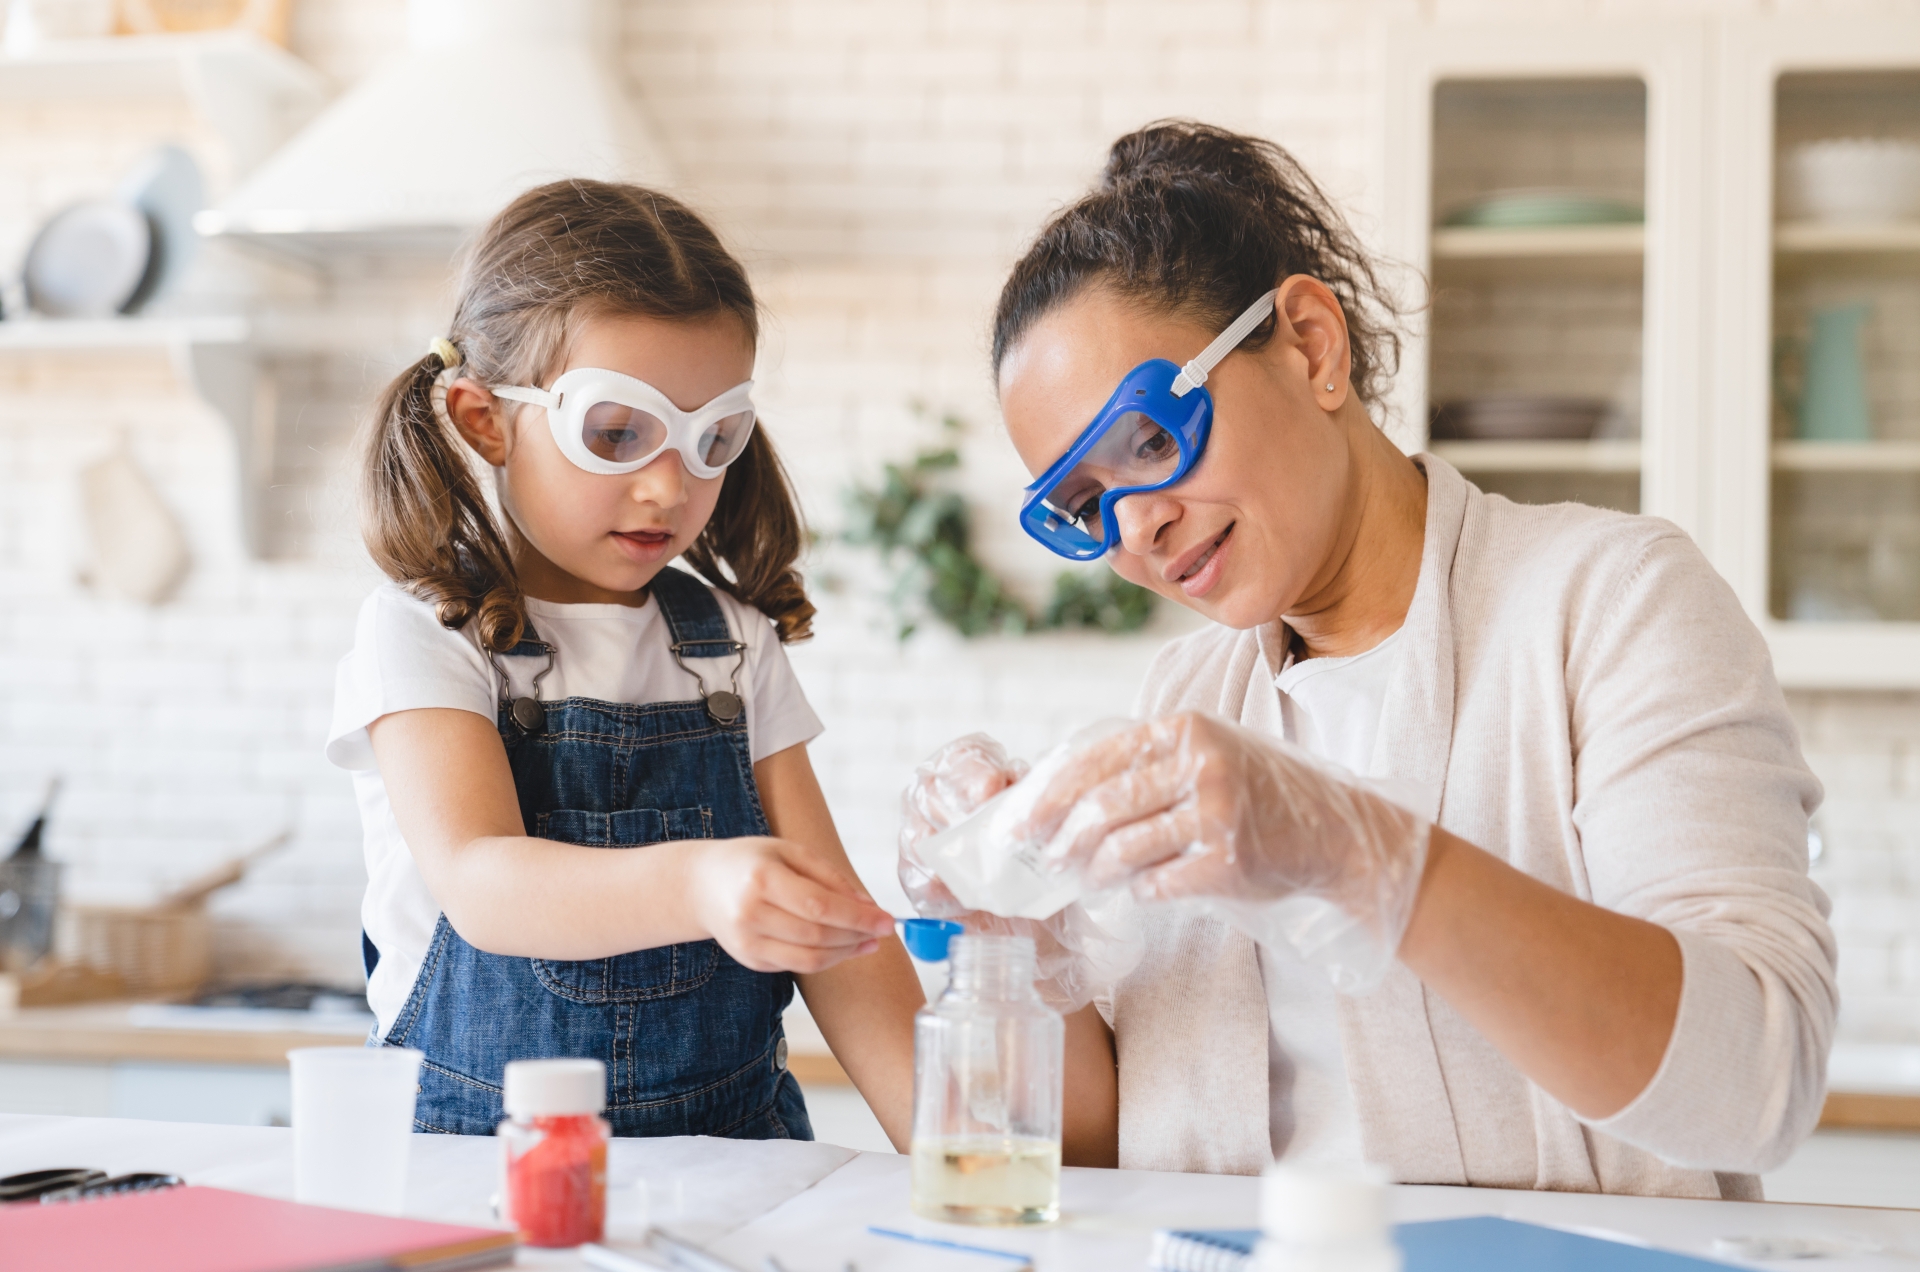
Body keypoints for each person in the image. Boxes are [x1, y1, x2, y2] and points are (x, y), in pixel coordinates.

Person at [902, 122, 1836, 1197]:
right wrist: (1020, 956)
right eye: (1081, 506)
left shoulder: (1612, 603)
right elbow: (1120, 1157)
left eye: (1152, 439)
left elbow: (1761, 1078)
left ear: (1310, 343)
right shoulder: (1189, 698)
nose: (1136, 529)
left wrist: (1371, 858)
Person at [326, 180, 923, 1141]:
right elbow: (482, 882)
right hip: (473, 1171)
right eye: (616, 434)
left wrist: (957, 1163)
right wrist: (702, 885)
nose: (667, 486)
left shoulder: (733, 649)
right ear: (486, 420)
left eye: (711, 438)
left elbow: (838, 942)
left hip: (734, 1163)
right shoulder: (427, 635)